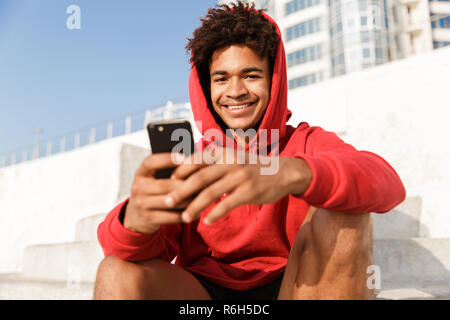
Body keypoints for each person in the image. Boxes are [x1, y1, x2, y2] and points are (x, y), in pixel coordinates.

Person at [93, 1, 406, 300]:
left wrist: (292, 172)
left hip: (295, 286)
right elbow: (123, 249)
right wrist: (134, 221)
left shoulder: (306, 142)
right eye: (221, 78)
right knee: (114, 270)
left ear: (274, 80)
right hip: (203, 294)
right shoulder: (191, 157)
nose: (235, 91)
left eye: (251, 75)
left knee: (346, 213)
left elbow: (388, 184)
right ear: (206, 88)